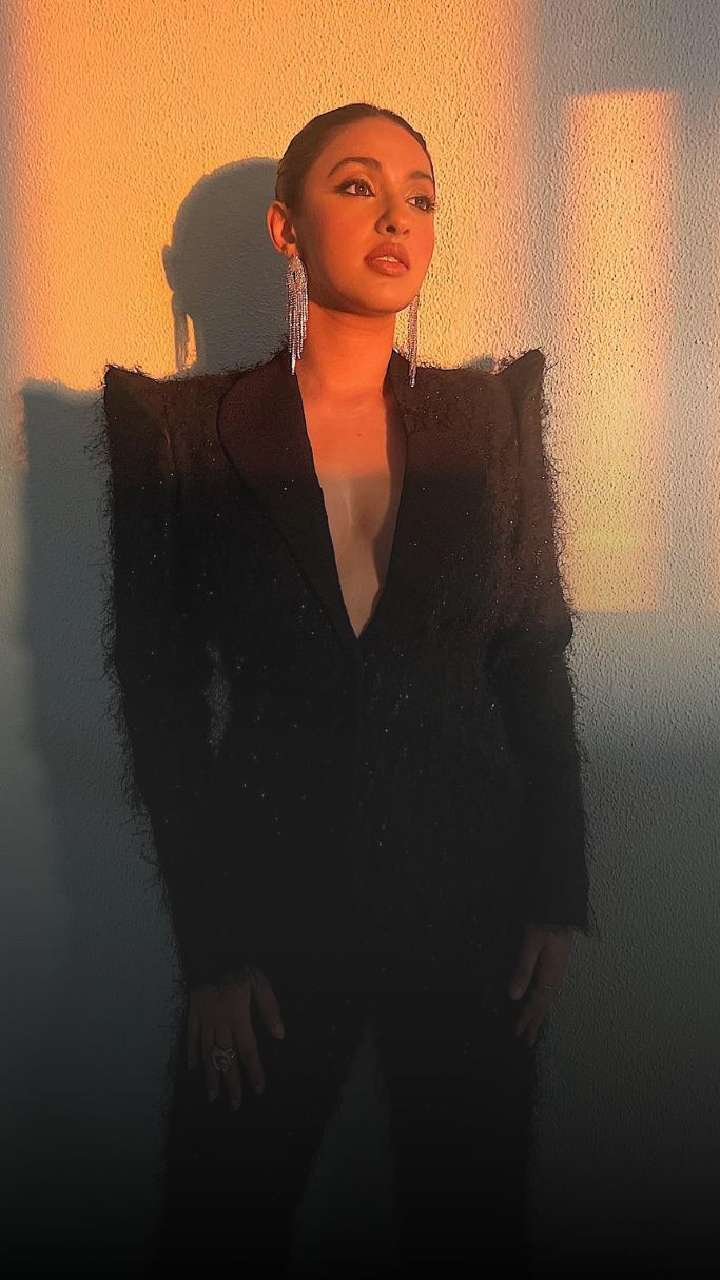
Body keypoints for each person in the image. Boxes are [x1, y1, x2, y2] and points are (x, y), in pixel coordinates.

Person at [96, 102, 595, 1277]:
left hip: (471, 905)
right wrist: (213, 950)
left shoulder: (487, 420)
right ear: (287, 227)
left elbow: (531, 650)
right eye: (359, 186)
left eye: (420, 196)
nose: (397, 217)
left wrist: (554, 891)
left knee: (473, 1226)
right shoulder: (185, 433)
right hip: (270, 912)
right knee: (217, 1220)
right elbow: (162, 698)